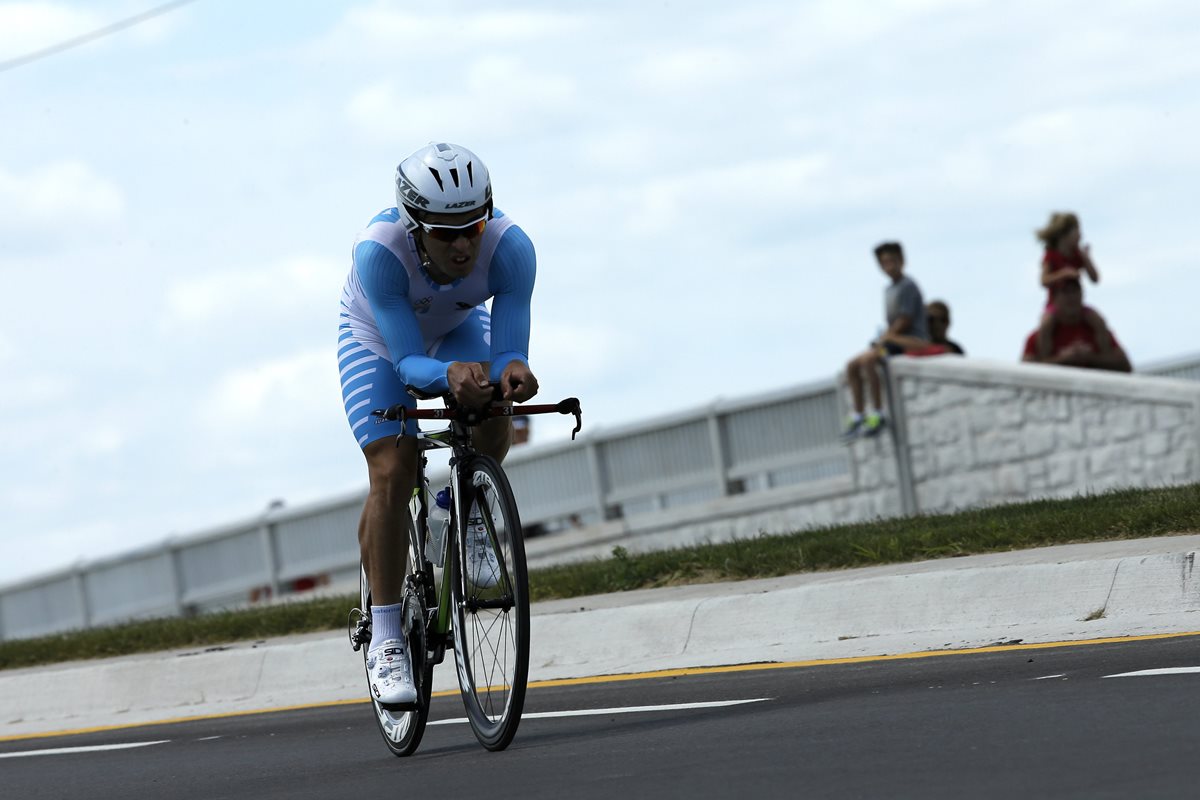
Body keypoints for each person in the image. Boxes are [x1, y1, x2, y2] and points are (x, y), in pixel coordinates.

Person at [337, 143, 539, 704]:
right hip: (379, 341)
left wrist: (513, 371)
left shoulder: (512, 248)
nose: (463, 245)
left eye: (473, 227)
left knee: (492, 402)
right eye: (445, 233)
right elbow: (406, 364)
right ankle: (385, 638)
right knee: (394, 465)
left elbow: (509, 352)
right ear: (413, 226)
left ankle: (468, 510)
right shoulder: (379, 252)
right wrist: (448, 374)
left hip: (455, 328)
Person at [842, 242, 930, 441]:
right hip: (892, 339)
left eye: (892, 261)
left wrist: (885, 339)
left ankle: (878, 413)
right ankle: (858, 415)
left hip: (912, 340)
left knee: (869, 360)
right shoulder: (889, 289)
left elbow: (905, 320)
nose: (888, 266)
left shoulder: (908, 286)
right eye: (884, 263)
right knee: (852, 365)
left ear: (902, 260)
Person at [1035, 211, 1113, 359]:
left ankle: (1106, 358)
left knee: (1099, 321)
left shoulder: (1077, 254)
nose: (1080, 235)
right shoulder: (1051, 255)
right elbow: (1043, 281)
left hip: (1077, 306)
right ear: (1064, 235)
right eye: (1076, 231)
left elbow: (1095, 279)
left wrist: (1086, 258)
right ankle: (1046, 362)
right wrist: (1063, 274)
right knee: (1046, 325)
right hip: (1055, 306)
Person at [1021, 280, 1131, 372]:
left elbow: (1125, 366)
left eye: (1075, 290)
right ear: (1054, 298)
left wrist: (1090, 358)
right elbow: (1025, 371)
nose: (1071, 297)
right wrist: (1064, 359)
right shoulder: (1036, 337)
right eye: (1065, 292)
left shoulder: (1098, 329)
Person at [879, 300, 965, 357]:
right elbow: (884, 353)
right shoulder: (913, 345)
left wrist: (891, 337)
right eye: (931, 320)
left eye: (943, 320)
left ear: (948, 322)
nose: (937, 324)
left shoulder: (954, 349)